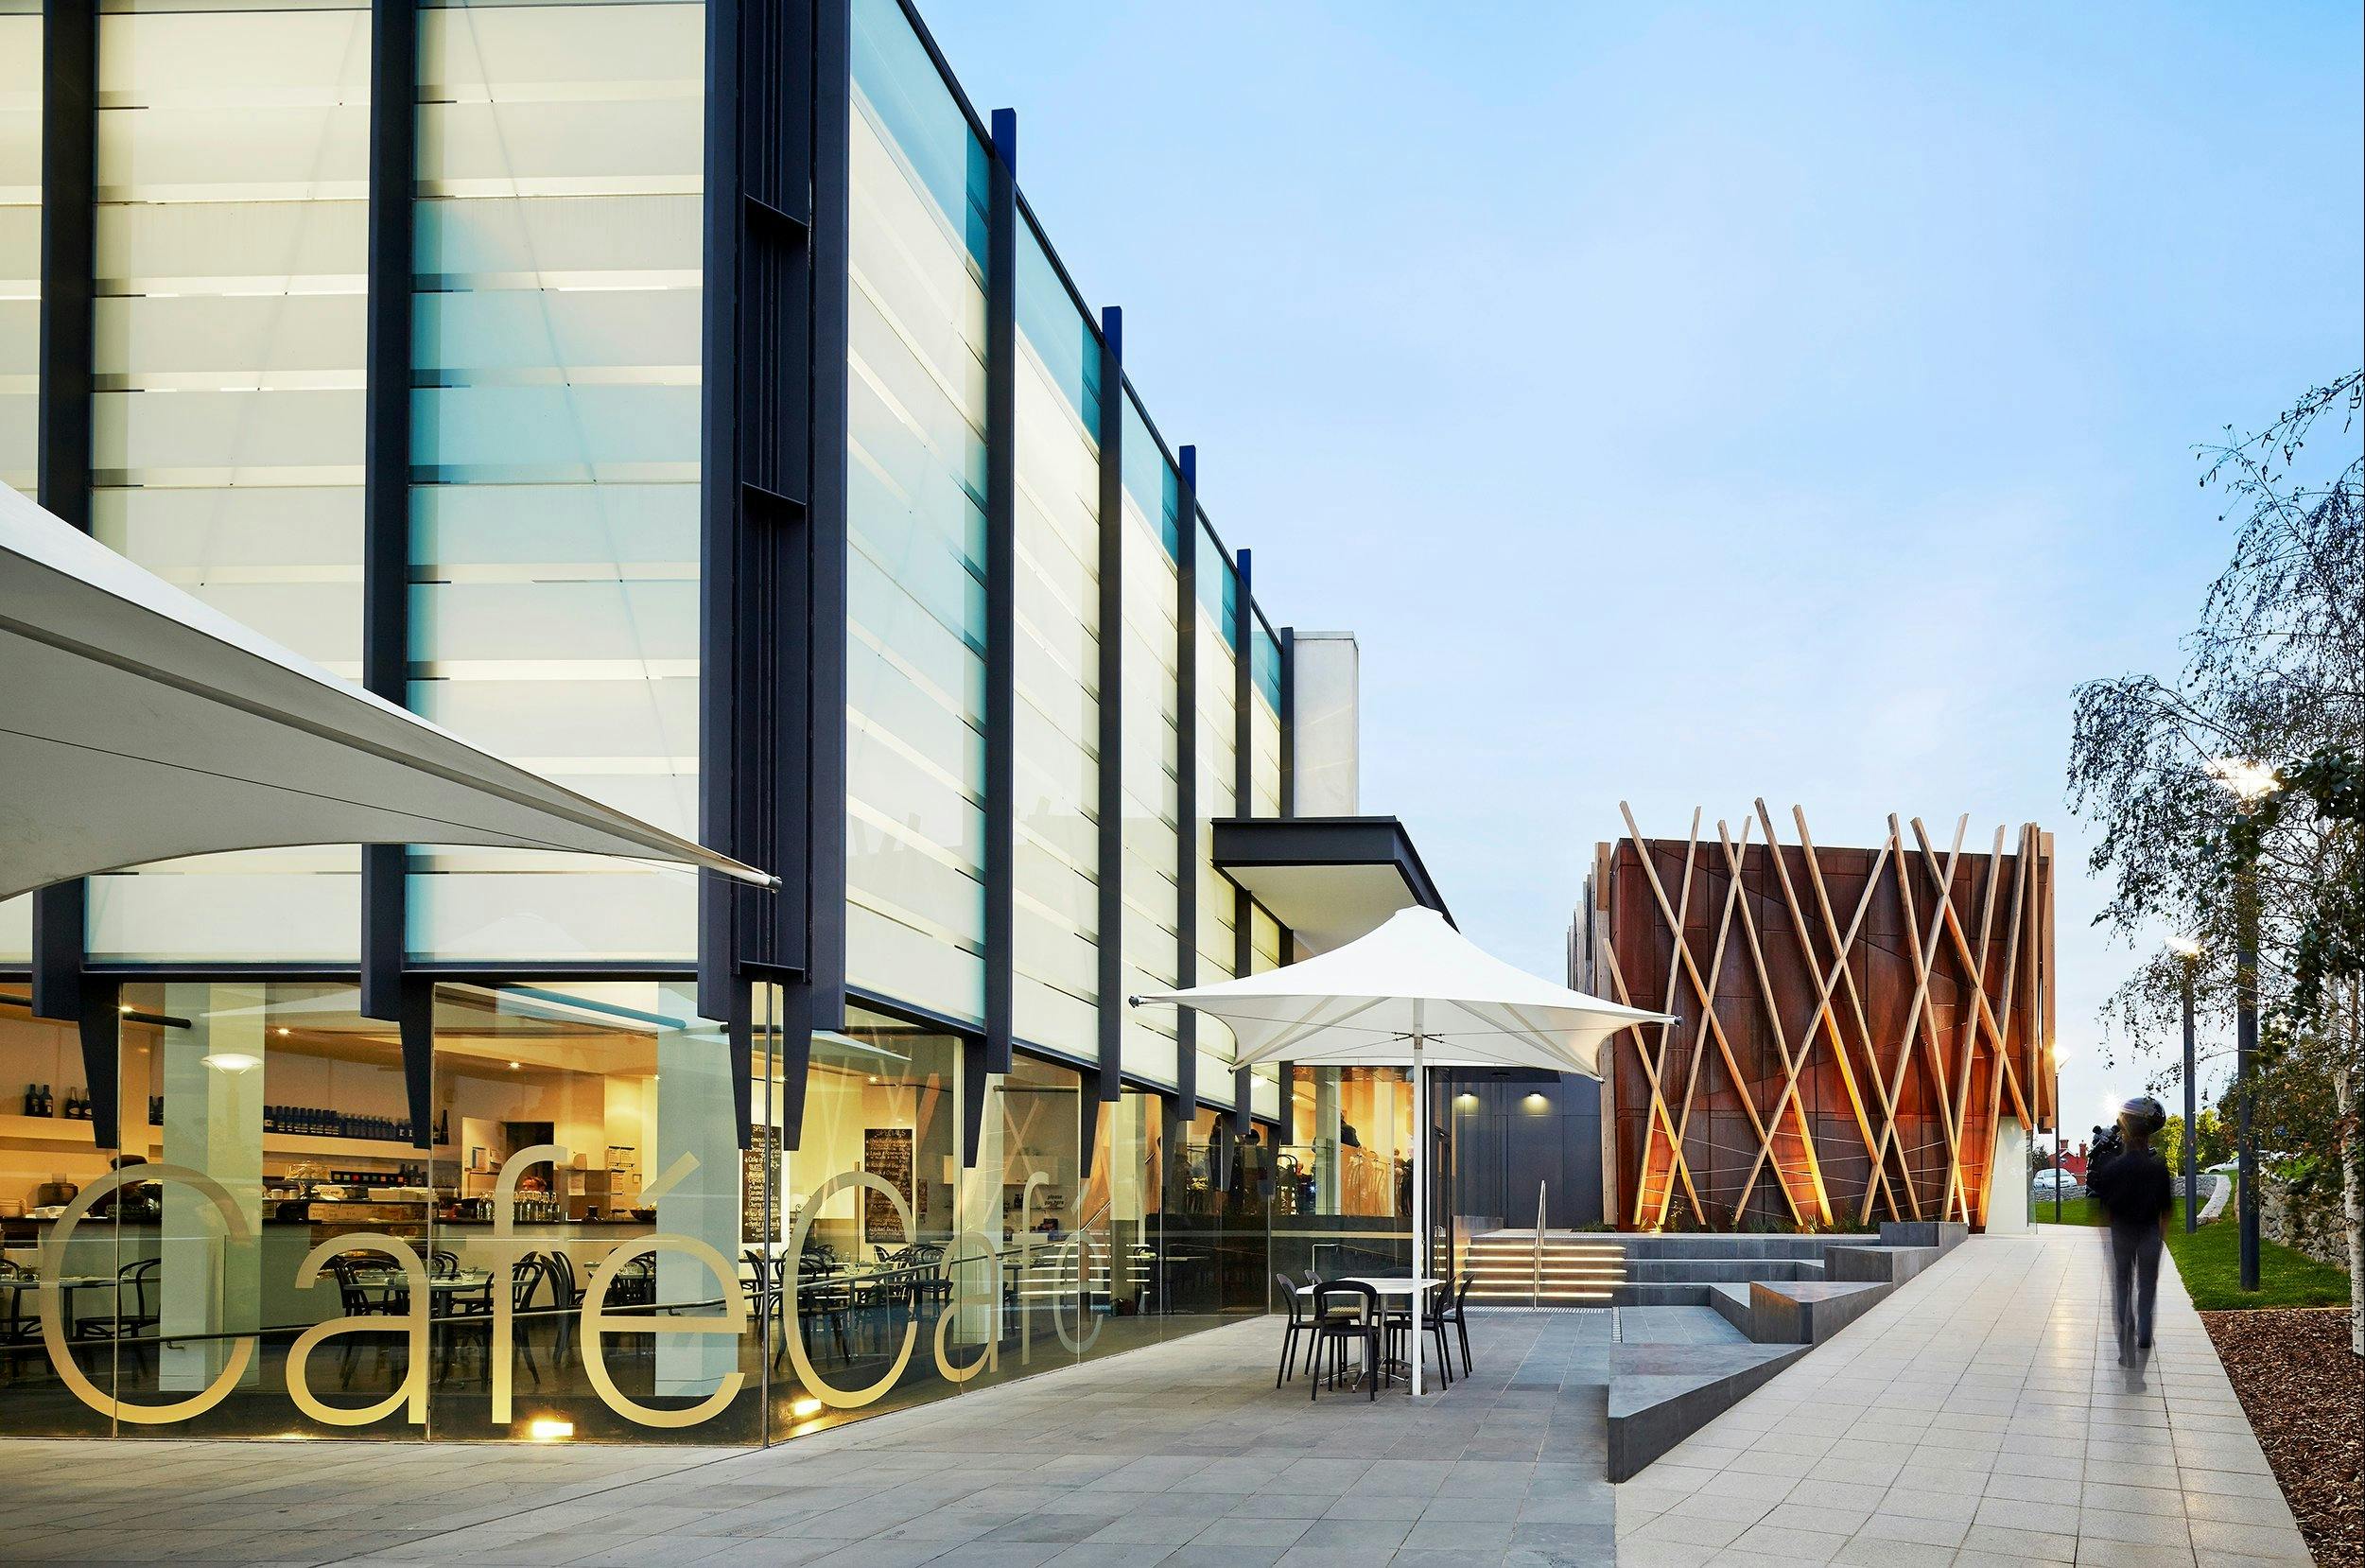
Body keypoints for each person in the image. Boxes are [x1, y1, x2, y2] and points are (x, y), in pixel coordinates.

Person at [2087, 1094, 2174, 1385]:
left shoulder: (2112, 1168)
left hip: (2122, 1234)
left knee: (2122, 1287)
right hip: (2149, 1234)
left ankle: (2127, 1347)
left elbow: (2104, 1211)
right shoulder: (2158, 1169)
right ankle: (2145, 1335)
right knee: (2147, 1287)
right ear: (2149, 1134)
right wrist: (2160, 1237)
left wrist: (2107, 1237)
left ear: (2124, 1132)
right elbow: (2167, 1211)